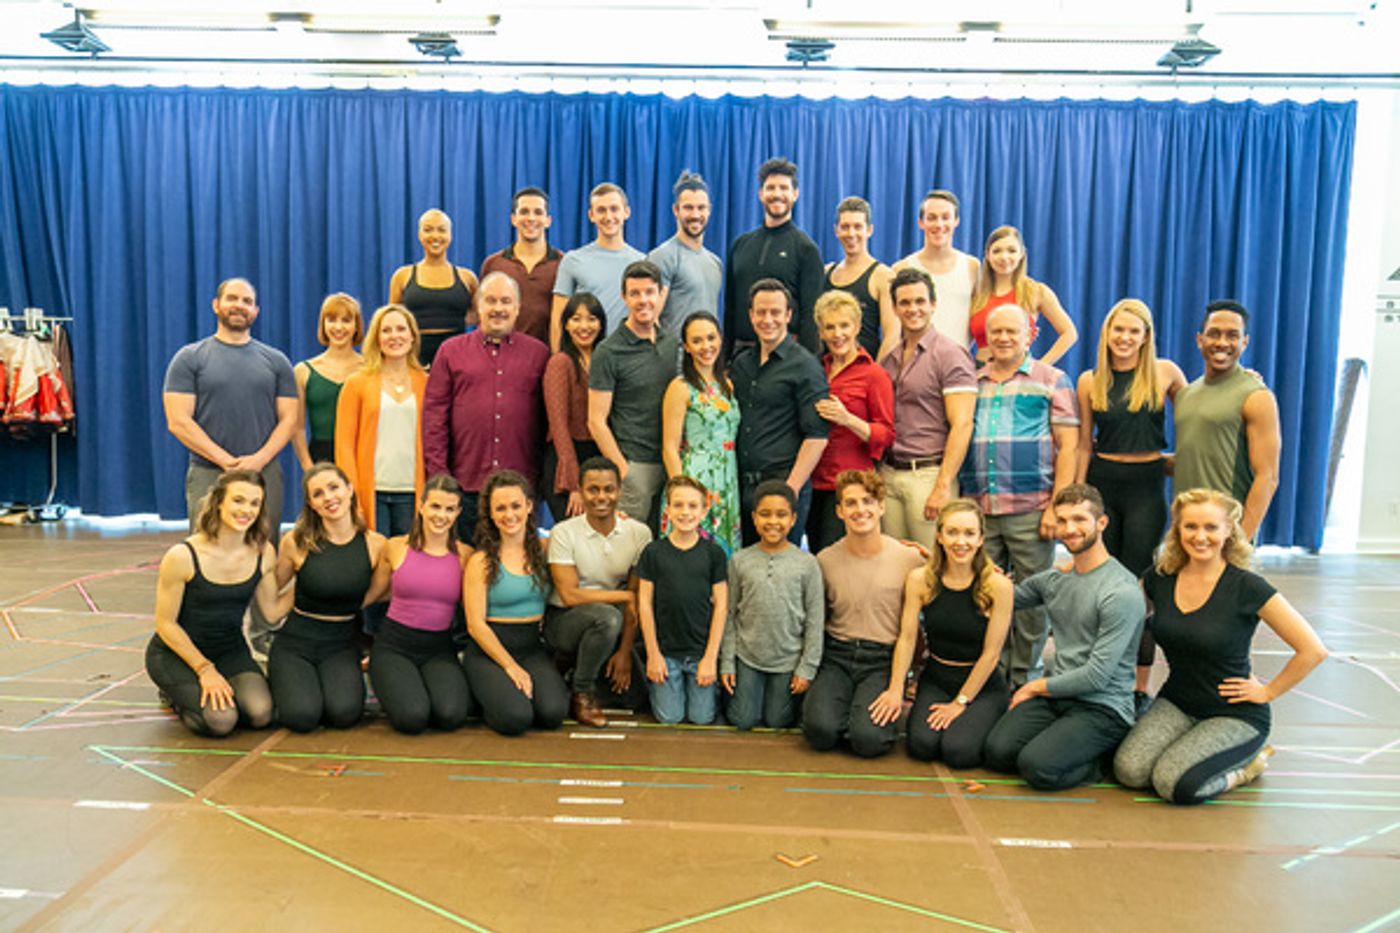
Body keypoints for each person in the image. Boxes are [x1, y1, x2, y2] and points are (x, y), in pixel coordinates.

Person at [1114, 489, 1327, 804]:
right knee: (1130, 772)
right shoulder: (1160, 578)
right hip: (1178, 701)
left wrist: (1267, 692)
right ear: (1177, 530)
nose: (1200, 537)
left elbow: (1313, 649)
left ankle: (1246, 769)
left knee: (1173, 785)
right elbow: (1122, 617)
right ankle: (1194, 746)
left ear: (1229, 531)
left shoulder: (1247, 587)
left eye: (1211, 527)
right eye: (1190, 527)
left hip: (1235, 712)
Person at [983, 484, 1146, 791]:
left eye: (1080, 520)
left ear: (1101, 523)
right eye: (1063, 521)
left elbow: (1097, 676)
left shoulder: (1120, 592)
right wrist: (982, 573)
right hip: (1059, 696)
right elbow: (1004, 599)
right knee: (997, 753)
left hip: (1102, 706)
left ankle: (1103, 758)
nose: (1070, 529)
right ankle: (1064, 741)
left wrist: (1034, 687)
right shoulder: (1056, 579)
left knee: (1037, 768)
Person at [1075, 299, 1187, 709]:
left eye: (1133, 332)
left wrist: (1244, 377)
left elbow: (1202, 411)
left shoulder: (1165, 373)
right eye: (1117, 330)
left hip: (1145, 486)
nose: (1124, 338)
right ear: (1106, 333)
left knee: (1137, 588)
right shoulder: (1090, 380)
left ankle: (1138, 687)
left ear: (1146, 337)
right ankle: (1096, 673)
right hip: (1104, 484)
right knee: (1099, 580)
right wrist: (1076, 498)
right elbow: (1084, 444)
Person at [960, 304, 1079, 686]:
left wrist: (1056, 509)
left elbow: (1069, 447)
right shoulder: (973, 382)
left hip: (1033, 509)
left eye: (1013, 331)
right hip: (981, 509)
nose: (1004, 338)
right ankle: (990, 678)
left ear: (1031, 335)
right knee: (983, 596)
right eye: (996, 332)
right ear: (986, 338)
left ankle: (1024, 676)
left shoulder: (1053, 380)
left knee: (1031, 601)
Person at [146, 470, 281, 737]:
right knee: (221, 721)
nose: (247, 510)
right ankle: (176, 696)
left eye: (255, 503)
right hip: (177, 654)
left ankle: (215, 689)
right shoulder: (182, 556)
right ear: (219, 502)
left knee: (260, 712)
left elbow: (272, 612)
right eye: (238, 500)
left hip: (229, 651)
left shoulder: (263, 552)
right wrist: (204, 670)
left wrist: (308, 577)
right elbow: (165, 624)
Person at [163, 277, 297, 540]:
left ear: (256, 311)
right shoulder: (189, 358)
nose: (239, 305)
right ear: (216, 305)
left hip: (264, 472)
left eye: (247, 301)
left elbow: (290, 420)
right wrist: (225, 460)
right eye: (232, 298)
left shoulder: (277, 361)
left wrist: (258, 460)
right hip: (208, 471)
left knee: (264, 549)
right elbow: (178, 421)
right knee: (206, 548)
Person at [803, 469, 924, 758]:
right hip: (838, 656)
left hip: (882, 659)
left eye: (868, 501)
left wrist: (897, 688)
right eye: (851, 503)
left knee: (868, 741)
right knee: (819, 733)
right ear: (839, 511)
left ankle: (861, 718)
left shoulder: (910, 559)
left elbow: (952, 574)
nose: (860, 510)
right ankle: (840, 710)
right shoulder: (824, 560)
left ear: (881, 506)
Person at [423, 272, 550, 533]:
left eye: (506, 301)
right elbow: (434, 418)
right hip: (465, 486)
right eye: (490, 301)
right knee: (468, 566)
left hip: (521, 488)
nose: (498, 309)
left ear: (517, 308)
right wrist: (439, 477)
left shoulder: (539, 354)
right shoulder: (450, 351)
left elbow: (548, 423)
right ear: (478, 306)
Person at [269, 464, 386, 733]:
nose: (329, 497)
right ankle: (281, 683)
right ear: (311, 504)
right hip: (296, 645)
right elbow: (272, 588)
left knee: (344, 714)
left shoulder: (375, 544)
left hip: (341, 646)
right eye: (318, 493)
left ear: (349, 489)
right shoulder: (296, 541)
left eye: (334, 487)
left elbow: (381, 591)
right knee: (302, 717)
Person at [903, 499, 1013, 767]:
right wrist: (898, 688)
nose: (960, 541)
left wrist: (960, 703)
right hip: (937, 677)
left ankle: (993, 716)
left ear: (980, 539)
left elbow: (991, 654)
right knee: (921, 745)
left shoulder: (997, 586)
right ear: (939, 536)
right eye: (952, 532)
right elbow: (906, 639)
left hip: (982, 684)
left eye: (969, 533)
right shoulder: (922, 579)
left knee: (958, 751)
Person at [545, 456, 653, 729]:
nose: (601, 496)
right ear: (581, 491)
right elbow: (570, 596)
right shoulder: (563, 532)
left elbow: (635, 600)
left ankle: (572, 668)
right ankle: (582, 692)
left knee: (635, 699)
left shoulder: (639, 533)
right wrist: (625, 597)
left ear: (619, 491)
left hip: (614, 623)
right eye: (593, 489)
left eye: (608, 489)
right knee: (606, 617)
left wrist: (625, 652)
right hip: (565, 620)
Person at [463, 470, 570, 735]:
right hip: (490, 650)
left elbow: (581, 536)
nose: (509, 515)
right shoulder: (481, 561)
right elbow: (475, 625)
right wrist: (510, 667)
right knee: (516, 719)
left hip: (532, 647)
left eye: (515, 506)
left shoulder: (546, 549)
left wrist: (618, 519)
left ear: (529, 506)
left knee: (553, 713)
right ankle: (479, 693)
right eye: (500, 508)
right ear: (490, 513)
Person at [878, 267, 978, 550]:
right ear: (895, 308)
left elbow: (962, 424)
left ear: (933, 305)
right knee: (896, 567)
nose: (913, 309)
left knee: (932, 564)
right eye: (905, 303)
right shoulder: (891, 358)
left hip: (928, 476)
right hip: (890, 474)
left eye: (920, 301)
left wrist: (943, 485)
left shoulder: (950, 354)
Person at [368, 474, 474, 735]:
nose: (441, 516)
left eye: (450, 509)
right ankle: (385, 678)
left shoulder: (465, 556)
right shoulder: (395, 547)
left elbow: (473, 609)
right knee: (413, 718)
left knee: (450, 716)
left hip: (438, 649)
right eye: (435, 506)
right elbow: (373, 595)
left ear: (458, 512)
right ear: (422, 506)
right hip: (394, 647)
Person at [730, 279, 829, 545]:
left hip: (782, 484)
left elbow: (817, 436)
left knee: (779, 573)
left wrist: (790, 490)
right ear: (751, 315)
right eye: (761, 312)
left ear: (788, 315)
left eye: (775, 312)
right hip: (741, 487)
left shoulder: (805, 366)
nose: (768, 319)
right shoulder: (741, 364)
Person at [719, 480, 824, 730]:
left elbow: (815, 619)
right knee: (743, 720)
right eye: (765, 514)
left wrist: (806, 668)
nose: (772, 522)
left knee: (777, 721)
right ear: (754, 518)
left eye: (781, 514)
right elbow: (730, 614)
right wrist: (727, 662)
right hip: (748, 657)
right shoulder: (739, 560)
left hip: (788, 659)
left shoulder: (807, 564)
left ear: (793, 519)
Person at [1173, 300, 1281, 540]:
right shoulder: (1186, 394)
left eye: (1232, 335)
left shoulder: (1256, 396)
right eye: (1214, 334)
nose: (1222, 342)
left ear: (1245, 342)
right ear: (1199, 340)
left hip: (1225, 533)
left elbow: (1268, 476)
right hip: (1187, 528)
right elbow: (1194, 458)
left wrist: (1241, 540)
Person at [588, 260, 680, 530]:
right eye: (635, 293)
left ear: (660, 294)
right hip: (635, 466)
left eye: (650, 292)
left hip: (671, 463)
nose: (643, 300)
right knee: (629, 555)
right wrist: (624, 472)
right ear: (623, 297)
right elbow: (595, 421)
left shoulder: (671, 344)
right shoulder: (608, 351)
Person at [638, 475, 730, 725]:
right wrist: (653, 654)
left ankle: (710, 694)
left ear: (704, 510)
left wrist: (711, 658)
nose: (685, 512)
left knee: (702, 719)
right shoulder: (653, 553)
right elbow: (644, 604)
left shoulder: (714, 553)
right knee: (670, 718)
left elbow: (721, 606)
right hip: (666, 654)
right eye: (678, 505)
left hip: (700, 653)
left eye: (692, 506)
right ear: (667, 509)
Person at [808, 289, 894, 553]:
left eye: (844, 325)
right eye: (830, 327)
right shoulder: (814, 370)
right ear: (821, 332)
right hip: (815, 485)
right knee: (819, 559)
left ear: (856, 327)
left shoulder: (873, 374)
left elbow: (886, 434)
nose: (837, 334)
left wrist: (848, 420)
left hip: (852, 486)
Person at [334, 304, 427, 536]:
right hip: (371, 493)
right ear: (376, 338)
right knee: (376, 565)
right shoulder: (357, 383)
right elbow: (344, 445)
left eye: (400, 329)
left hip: (412, 491)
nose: (394, 336)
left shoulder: (428, 383)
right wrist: (352, 496)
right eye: (386, 331)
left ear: (412, 336)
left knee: (406, 565)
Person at [723, 158, 824, 355]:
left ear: (795, 194)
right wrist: (724, 361)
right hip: (740, 357)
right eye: (771, 188)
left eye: (784, 188)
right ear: (761, 194)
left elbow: (811, 316)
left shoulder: (806, 249)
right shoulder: (740, 246)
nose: (777, 194)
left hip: (786, 356)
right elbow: (730, 310)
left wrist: (806, 365)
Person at [661, 311, 741, 555]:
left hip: (727, 479)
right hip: (696, 477)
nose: (706, 346)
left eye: (710, 338)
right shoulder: (680, 387)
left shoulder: (727, 384)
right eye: (697, 341)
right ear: (686, 346)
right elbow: (669, 447)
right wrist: (681, 491)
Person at [551, 182, 645, 346]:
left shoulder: (642, 262)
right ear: (591, 215)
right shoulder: (573, 260)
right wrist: (560, 362)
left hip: (628, 357)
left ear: (626, 212)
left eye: (614, 209)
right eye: (601, 210)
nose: (608, 217)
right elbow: (558, 320)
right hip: (585, 357)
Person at [968, 226, 1077, 365]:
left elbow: (1069, 333)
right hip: (981, 374)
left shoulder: (1036, 292)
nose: (1004, 257)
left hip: (1019, 375)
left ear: (1022, 254)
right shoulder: (976, 294)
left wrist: (1041, 367)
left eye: (1011, 251)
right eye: (997, 251)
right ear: (987, 255)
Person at [543, 293, 606, 522]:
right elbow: (558, 426)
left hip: (597, 456)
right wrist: (575, 485)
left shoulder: (605, 361)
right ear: (566, 324)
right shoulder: (560, 363)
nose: (584, 326)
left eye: (591, 319)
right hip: (567, 458)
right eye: (576, 319)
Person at [389, 208, 478, 367]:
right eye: (428, 230)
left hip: (457, 358)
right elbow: (392, 321)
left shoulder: (468, 278)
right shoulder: (402, 276)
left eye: (442, 230)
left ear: (450, 235)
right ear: (419, 234)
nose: (435, 236)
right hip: (413, 359)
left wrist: (452, 320)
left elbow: (480, 316)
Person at [894, 189, 979, 348]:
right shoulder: (901, 268)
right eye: (931, 218)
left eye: (945, 217)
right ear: (921, 222)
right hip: (915, 365)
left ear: (956, 221)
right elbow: (894, 328)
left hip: (960, 366)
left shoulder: (972, 267)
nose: (939, 225)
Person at [479, 186, 562, 345]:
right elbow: (483, 316)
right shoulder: (493, 264)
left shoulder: (563, 264)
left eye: (538, 212)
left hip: (547, 360)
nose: (531, 218)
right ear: (513, 219)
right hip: (501, 360)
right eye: (524, 212)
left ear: (548, 221)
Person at [291, 293, 364, 469]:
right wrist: (308, 467)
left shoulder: (371, 369)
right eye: (331, 320)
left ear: (356, 326)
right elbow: (297, 428)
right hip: (320, 459)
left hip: (362, 455)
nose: (338, 327)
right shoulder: (303, 371)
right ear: (323, 325)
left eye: (346, 320)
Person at [823, 196, 899, 360]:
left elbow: (892, 336)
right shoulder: (826, 272)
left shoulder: (883, 276)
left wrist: (872, 376)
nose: (851, 233)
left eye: (858, 227)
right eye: (845, 227)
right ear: (836, 230)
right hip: (826, 372)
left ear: (869, 230)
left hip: (863, 375)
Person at [649, 170, 723, 336]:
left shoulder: (715, 263)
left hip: (706, 358)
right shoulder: (662, 257)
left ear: (709, 210)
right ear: (676, 210)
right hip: (673, 359)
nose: (695, 215)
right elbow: (649, 320)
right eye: (688, 208)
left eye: (701, 208)